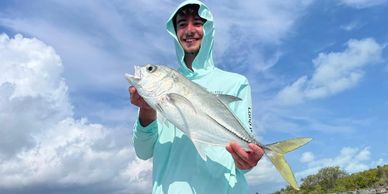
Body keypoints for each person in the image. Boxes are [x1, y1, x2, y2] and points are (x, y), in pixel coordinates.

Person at [129, 1, 264, 193]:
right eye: (182, 24)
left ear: (208, 28)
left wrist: (247, 161)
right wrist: (146, 109)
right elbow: (143, 152)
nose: (189, 30)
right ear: (174, 33)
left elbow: (244, 160)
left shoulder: (236, 83)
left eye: (198, 23)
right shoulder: (161, 88)